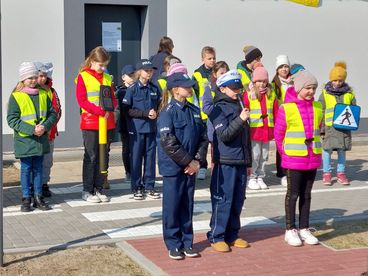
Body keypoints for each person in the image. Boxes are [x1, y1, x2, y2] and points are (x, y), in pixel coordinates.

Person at [158, 72, 207, 260]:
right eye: (186, 86)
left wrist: (197, 161)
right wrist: (189, 161)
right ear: (175, 89)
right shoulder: (167, 112)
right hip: (173, 168)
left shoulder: (194, 110)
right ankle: (173, 243)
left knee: (187, 204)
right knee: (172, 206)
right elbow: (168, 142)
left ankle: (187, 242)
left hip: (190, 167)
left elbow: (203, 138)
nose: (190, 88)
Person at [274, 70, 322, 247]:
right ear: (299, 87)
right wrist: (285, 153)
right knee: (293, 194)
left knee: (307, 195)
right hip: (294, 158)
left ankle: (304, 228)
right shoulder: (287, 108)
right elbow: (279, 135)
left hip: (312, 158)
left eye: (314, 88)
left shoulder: (318, 107)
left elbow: (318, 129)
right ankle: (290, 229)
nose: (311, 91)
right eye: (308, 88)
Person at [207, 70, 252, 252]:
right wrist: (241, 120)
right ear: (222, 88)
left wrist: (248, 163)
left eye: (238, 88)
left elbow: (246, 138)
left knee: (238, 200)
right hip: (225, 161)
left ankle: (232, 234)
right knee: (223, 200)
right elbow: (224, 135)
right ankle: (216, 236)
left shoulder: (240, 105)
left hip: (240, 161)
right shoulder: (217, 109)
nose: (237, 91)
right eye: (233, 88)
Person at [7, 62, 57, 212]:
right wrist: (32, 129)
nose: (34, 80)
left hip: (40, 139)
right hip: (25, 140)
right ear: (23, 79)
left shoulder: (43, 94)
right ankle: (26, 198)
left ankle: (38, 197)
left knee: (38, 169)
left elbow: (52, 114)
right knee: (26, 169)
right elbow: (12, 120)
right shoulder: (16, 96)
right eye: (30, 78)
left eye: (35, 77)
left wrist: (45, 127)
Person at [76, 46, 117, 203]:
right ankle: (87, 189)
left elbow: (112, 98)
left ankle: (99, 188)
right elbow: (82, 101)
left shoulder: (107, 78)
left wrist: (110, 108)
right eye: (101, 65)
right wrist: (99, 111)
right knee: (91, 156)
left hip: (107, 122)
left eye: (105, 65)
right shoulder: (83, 77)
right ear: (92, 62)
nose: (103, 68)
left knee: (103, 156)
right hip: (91, 123)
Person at [123, 59, 161, 200]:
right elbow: (127, 110)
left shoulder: (154, 88)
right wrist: (145, 113)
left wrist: (157, 112)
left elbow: (160, 105)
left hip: (151, 129)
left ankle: (149, 185)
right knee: (137, 158)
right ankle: (137, 187)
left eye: (151, 70)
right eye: (147, 70)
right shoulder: (132, 89)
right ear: (139, 72)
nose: (150, 73)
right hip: (137, 129)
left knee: (150, 159)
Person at [319, 62, 356, 185]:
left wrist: (352, 123)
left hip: (343, 128)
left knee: (342, 150)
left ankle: (341, 173)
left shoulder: (349, 94)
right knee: (326, 151)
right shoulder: (325, 93)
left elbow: (353, 110)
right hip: (329, 128)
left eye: (340, 80)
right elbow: (321, 111)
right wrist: (322, 129)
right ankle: (327, 173)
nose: (337, 83)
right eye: (335, 80)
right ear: (331, 79)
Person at [244, 65, 278, 190]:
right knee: (255, 155)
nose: (262, 84)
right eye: (259, 81)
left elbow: (276, 111)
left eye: (264, 81)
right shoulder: (249, 94)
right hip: (255, 130)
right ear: (254, 81)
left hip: (267, 130)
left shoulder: (271, 93)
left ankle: (260, 176)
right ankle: (251, 177)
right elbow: (245, 110)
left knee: (264, 155)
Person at [35, 62, 62, 197]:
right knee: (35, 162)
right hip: (35, 134)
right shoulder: (32, 91)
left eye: (45, 76)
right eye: (40, 75)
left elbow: (57, 110)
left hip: (49, 133)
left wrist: (48, 126)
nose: (43, 79)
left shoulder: (51, 91)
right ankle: (33, 186)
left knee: (47, 161)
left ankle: (44, 184)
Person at [191, 46, 217, 180]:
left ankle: (215, 166)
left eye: (214, 58)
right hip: (202, 115)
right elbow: (193, 95)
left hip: (216, 114)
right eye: (209, 58)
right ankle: (202, 166)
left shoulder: (218, 72)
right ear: (203, 59)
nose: (212, 61)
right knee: (203, 143)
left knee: (216, 143)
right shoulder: (197, 74)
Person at [202, 61, 230, 171]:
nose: (224, 75)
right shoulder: (210, 89)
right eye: (221, 73)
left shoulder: (231, 88)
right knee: (216, 157)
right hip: (215, 129)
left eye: (226, 73)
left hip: (229, 128)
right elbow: (206, 108)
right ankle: (216, 178)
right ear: (215, 74)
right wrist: (221, 112)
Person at [271, 55, 292, 186]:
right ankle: (282, 171)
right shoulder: (273, 84)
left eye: (286, 66)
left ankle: (289, 169)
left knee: (290, 143)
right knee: (280, 144)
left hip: (292, 117)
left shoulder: (294, 82)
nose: (284, 69)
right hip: (280, 117)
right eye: (281, 67)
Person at [115, 64, 136, 182]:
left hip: (137, 124)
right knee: (127, 149)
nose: (133, 77)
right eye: (130, 75)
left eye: (134, 74)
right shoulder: (120, 92)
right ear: (123, 77)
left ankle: (135, 171)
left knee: (136, 150)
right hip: (125, 125)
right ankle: (128, 172)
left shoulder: (138, 89)